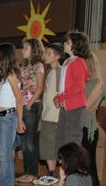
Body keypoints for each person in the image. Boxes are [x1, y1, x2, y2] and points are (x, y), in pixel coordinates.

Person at [0, 43, 25, 186]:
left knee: (5, 157)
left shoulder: (11, 74)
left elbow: (19, 99)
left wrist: (20, 121)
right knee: (4, 156)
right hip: (2, 117)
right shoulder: (5, 74)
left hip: (8, 117)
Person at [16, 38, 45, 183]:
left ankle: (32, 172)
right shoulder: (23, 65)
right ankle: (27, 171)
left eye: (26, 48)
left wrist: (29, 104)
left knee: (30, 141)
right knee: (23, 141)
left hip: (32, 105)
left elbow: (39, 88)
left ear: (34, 50)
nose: (23, 51)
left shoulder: (38, 66)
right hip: (22, 105)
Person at [55, 32, 90, 149]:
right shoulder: (67, 61)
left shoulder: (79, 62)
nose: (64, 44)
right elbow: (63, 85)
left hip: (75, 107)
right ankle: (62, 160)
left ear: (75, 45)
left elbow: (78, 87)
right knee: (61, 139)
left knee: (72, 140)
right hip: (65, 106)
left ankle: (72, 161)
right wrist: (59, 96)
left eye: (68, 42)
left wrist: (61, 97)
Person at [39, 42, 64, 178]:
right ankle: (51, 172)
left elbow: (61, 94)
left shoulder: (59, 72)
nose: (46, 56)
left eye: (49, 54)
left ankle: (52, 173)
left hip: (54, 115)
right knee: (47, 144)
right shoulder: (51, 72)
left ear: (57, 56)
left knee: (50, 145)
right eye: (46, 53)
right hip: (47, 113)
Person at [82, 53, 105, 186]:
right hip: (79, 124)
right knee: (81, 160)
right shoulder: (83, 82)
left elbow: (86, 105)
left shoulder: (98, 83)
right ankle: (85, 185)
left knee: (88, 160)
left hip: (88, 127)